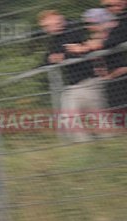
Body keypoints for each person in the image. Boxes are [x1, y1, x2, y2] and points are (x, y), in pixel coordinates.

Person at [40, 10, 106, 142]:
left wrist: (63, 56)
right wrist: (53, 58)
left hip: (88, 81)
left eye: (50, 25)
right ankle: (84, 144)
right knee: (71, 117)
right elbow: (47, 59)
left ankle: (105, 142)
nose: (48, 29)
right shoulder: (55, 39)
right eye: (45, 27)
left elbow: (82, 49)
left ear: (60, 20)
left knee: (97, 117)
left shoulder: (74, 30)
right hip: (75, 85)